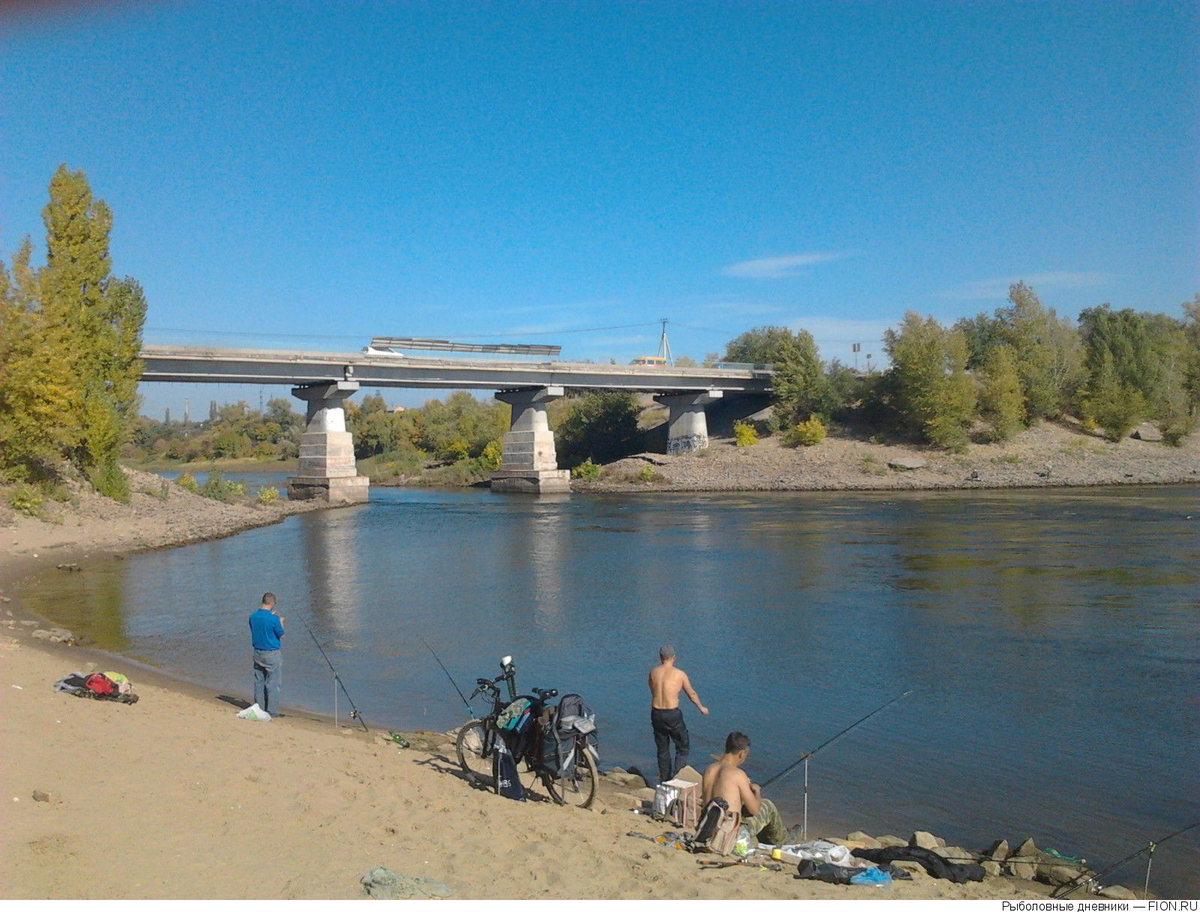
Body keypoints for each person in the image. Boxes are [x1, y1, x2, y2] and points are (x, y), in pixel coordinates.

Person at [700, 731, 787, 845]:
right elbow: (754, 809)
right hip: (728, 834)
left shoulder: (709, 769)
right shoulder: (738, 774)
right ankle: (781, 840)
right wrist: (756, 792)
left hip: (708, 828)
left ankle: (768, 837)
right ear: (742, 753)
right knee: (767, 806)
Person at [648, 644, 708, 785]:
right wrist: (701, 707)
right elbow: (691, 693)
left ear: (660, 657)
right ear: (674, 657)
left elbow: (652, 689)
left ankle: (665, 779)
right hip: (672, 714)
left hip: (656, 712)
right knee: (683, 746)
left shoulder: (653, 672)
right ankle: (677, 777)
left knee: (662, 749)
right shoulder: (679, 674)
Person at [249, 592, 284, 716]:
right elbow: (281, 634)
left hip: (257, 652)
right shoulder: (274, 619)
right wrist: (281, 621)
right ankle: (272, 711)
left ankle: (259, 708)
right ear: (272, 603)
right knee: (273, 683)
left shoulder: (253, 616)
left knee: (259, 682)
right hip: (272, 653)